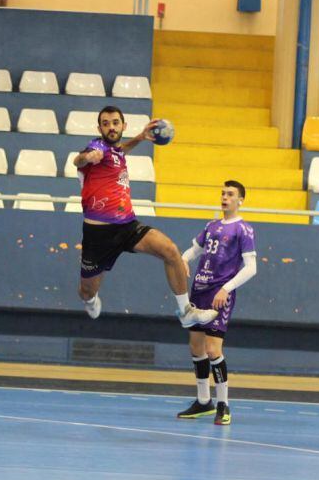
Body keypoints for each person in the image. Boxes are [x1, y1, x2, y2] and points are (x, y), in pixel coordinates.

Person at [74, 107, 218, 329]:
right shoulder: (97, 147)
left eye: (115, 122)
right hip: (98, 236)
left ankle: (186, 311)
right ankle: (91, 300)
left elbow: (121, 149)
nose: (111, 127)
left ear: (123, 126)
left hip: (127, 226)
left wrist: (141, 137)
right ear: (99, 128)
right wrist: (86, 157)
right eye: (105, 123)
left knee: (170, 251)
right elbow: (78, 160)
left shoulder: (116, 152)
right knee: (86, 290)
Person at [176, 181, 257, 426]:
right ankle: (203, 401)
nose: (225, 197)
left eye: (230, 194)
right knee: (196, 348)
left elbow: (252, 268)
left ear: (240, 200)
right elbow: (194, 250)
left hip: (219, 293)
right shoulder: (211, 225)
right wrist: (182, 260)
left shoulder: (243, 229)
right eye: (223, 193)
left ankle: (224, 404)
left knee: (213, 350)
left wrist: (226, 288)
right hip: (198, 290)